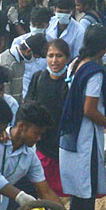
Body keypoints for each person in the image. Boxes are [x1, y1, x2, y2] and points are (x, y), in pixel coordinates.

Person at [57, 27, 106, 210]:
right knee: (86, 186)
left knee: (79, 185)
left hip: (72, 131)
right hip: (85, 134)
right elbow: (90, 110)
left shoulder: (76, 63)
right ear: (104, 48)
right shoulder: (94, 72)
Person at [0, 101, 63, 210]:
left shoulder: (30, 156)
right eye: (36, 133)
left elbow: (46, 192)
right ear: (22, 127)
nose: (39, 138)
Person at [24, 39, 70, 198]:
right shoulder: (38, 78)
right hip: (43, 146)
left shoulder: (72, 82)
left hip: (65, 147)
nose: (54, 60)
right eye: (51, 56)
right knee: (42, 190)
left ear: (67, 58)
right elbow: (28, 107)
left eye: (59, 56)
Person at [0, 31, 47, 102]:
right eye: (35, 57)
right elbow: (4, 95)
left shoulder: (21, 61)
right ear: (28, 51)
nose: (35, 60)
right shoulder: (7, 64)